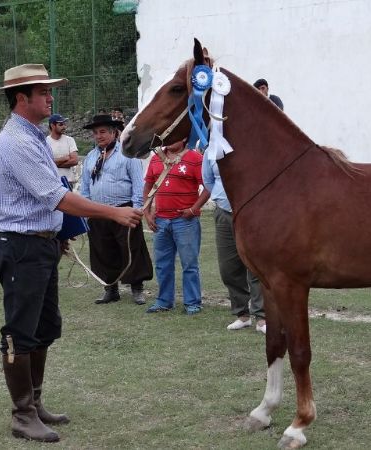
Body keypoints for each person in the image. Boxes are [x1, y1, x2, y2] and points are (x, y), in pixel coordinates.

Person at [0, 63, 142, 442]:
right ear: (21, 99)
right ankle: (22, 414)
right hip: (21, 248)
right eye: (43, 92)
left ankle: (34, 403)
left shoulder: (34, 137)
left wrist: (59, 234)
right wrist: (114, 212)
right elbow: (56, 196)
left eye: (49, 90)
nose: (50, 97)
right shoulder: (18, 142)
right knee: (20, 333)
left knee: (43, 328)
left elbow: (49, 195)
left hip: (40, 246)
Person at [79, 114, 153, 305]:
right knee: (103, 251)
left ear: (114, 132)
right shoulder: (90, 157)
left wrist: (137, 211)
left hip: (124, 210)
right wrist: (86, 211)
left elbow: (138, 185)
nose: (98, 136)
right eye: (95, 133)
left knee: (131, 248)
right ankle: (110, 289)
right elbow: (85, 186)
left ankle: (137, 288)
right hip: (98, 211)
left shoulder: (127, 155)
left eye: (103, 131)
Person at [143, 139, 210, 315]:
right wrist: (147, 212)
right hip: (160, 220)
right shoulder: (156, 158)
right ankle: (164, 301)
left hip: (185, 221)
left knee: (189, 264)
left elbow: (208, 186)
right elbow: (148, 184)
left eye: (176, 136)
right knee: (162, 264)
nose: (171, 140)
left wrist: (193, 209)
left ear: (184, 139)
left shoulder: (195, 158)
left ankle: (192, 302)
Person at [202, 155, 266, 333]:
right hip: (224, 213)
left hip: (251, 212)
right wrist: (222, 197)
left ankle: (262, 317)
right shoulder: (211, 150)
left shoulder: (250, 145)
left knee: (255, 267)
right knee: (228, 268)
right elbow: (208, 180)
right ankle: (242, 315)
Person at [46, 113, 79, 187]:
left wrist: (53, 164)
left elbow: (75, 160)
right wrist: (65, 158)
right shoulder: (45, 142)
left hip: (68, 182)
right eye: (61, 125)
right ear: (52, 126)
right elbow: (45, 163)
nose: (64, 127)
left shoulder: (69, 140)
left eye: (64, 124)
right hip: (52, 182)